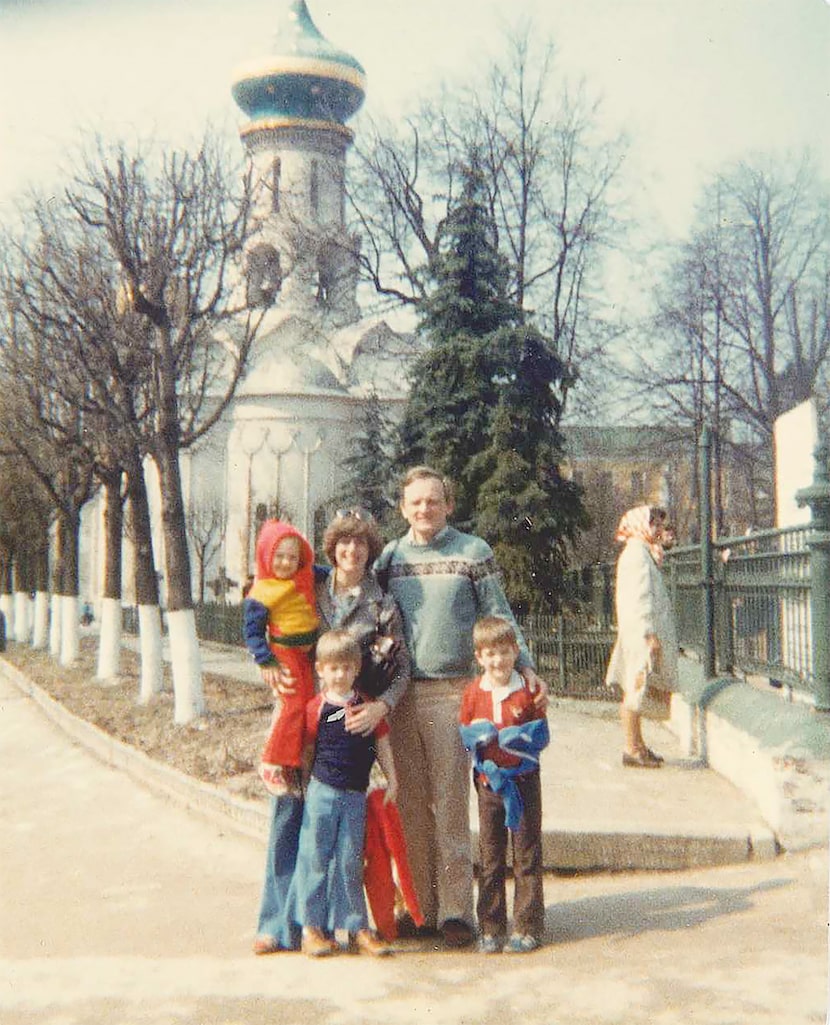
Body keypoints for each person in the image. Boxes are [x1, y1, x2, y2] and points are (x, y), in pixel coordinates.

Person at [376, 465, 547, 948]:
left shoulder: (473, 552)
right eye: (415, 502)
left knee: (450, 804)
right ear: (403, 508)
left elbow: (498, 614)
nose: (424, 509)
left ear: (448, 505)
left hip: (455, 693)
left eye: (433, 500)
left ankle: (455, 911)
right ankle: (421, 908)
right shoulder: (390, 558)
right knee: (410, 804)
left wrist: (527, 665)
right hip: (401, 695)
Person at [289, 629, 398, 958]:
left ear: (357, 668)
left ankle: (356, 927)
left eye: (347, 668)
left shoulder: (366, 706)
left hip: (355, 795)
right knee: (316, 859)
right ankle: (312, 928)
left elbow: (382, 743)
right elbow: (308, 749)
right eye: (333, 668)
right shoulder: (317, 708)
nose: (340, 675)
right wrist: (306, 787)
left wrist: (393, 779)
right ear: (321, 669)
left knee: (351, 860)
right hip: (323, 792)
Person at [459, 616, 550, 954]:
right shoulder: (473, 692)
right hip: (488, 784)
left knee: (526, 853)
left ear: (515, 652)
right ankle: (491, 926)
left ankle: (528, 925)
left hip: (523, 782)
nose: (498, 660)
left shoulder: (527, 692)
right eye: (490, 654)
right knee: (490, 856)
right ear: (479, 657)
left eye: (504, 652)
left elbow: (541, 735)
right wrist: (476, 737)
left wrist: (517, 739)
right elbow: (464, 731)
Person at [315, 508, 410, 737]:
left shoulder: (382, 605)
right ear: (333, 547)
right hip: (309, 710)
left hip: (352, 718)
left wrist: (381, 707)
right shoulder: (311, 591)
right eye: (345, 542)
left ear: (370, 550)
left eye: (361, 543)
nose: (352, 550)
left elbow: (403, 668)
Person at [243, 519, 319, 797]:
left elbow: (329, 572)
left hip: (307, 654)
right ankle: (272, 761)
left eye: (292, 557)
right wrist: (266, 660)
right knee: (293, 703)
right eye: (279, 556)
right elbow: (252, 633)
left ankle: (294, 757)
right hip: (283, 653)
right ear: (266, 556)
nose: (286, 563)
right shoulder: (261, 592)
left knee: (309, 704)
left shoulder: (306, 576)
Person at [605, 505, 679, 768]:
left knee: (637, 689)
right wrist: (648, 633)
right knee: (634, 689)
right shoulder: (636, 555)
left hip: (639, 632)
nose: (658, 530)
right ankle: (631, 747)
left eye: (660, 524)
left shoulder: (643, 553)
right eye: (653, 524)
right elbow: (639, 597)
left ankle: (638, 744)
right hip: (640, 634)